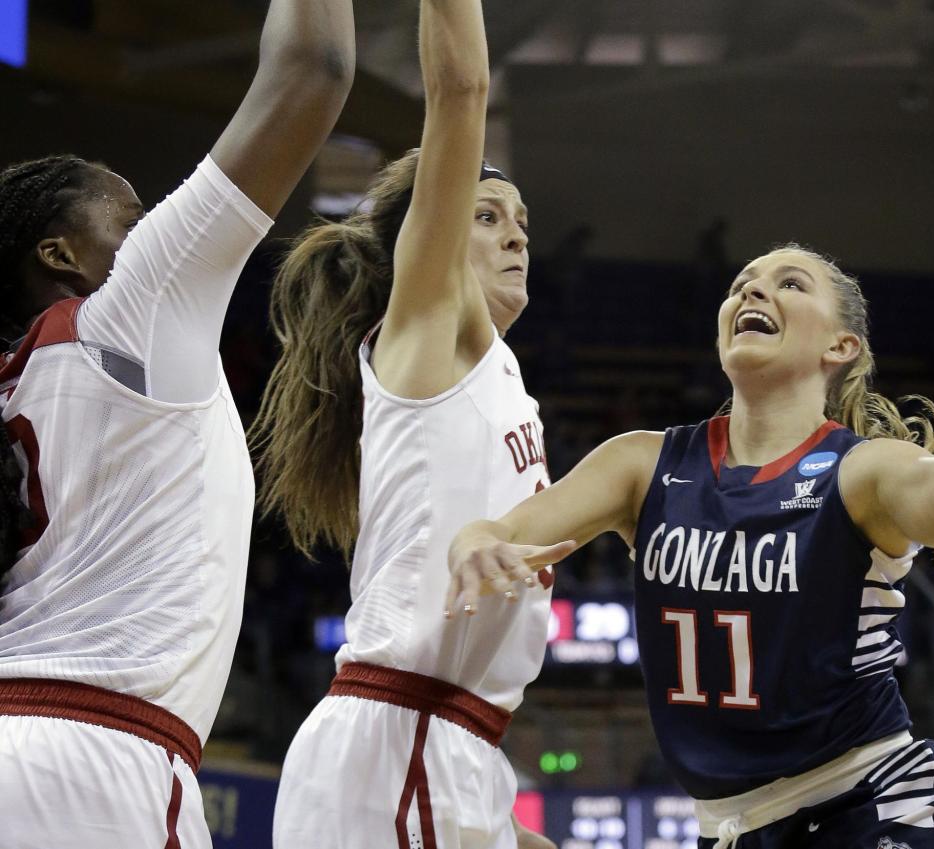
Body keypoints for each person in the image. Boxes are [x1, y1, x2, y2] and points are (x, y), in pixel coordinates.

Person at [449, 244, 934, 849]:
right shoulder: (644, 464)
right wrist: (479, 537)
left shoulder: (863, 470)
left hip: (868, 803)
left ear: (842, 344)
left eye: (788, 283)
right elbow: (513, 528)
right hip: (729, 828)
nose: (753, 292)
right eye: (741, 284)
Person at [0, 1, 355, 845]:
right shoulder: (131, 310)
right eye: (131, 218)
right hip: (99, 757)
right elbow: (314, 69)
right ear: (60, 253)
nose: (157, 224)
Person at [251, 1, 556, 846]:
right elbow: (462, 88)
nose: (515, 237)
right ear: (431, 236)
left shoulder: (500, 379)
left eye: (523, 223)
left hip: (439, 743)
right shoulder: (430, 332)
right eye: (488, 216)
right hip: (406, 734)